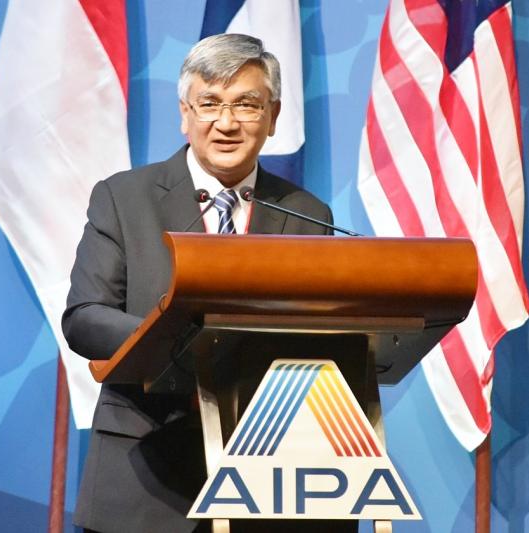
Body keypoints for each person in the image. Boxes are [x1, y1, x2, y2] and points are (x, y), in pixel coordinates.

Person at [63, 34, 341, 533]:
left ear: (273, 117)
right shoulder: (124, 197)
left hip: (268, 480)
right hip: (144, 476)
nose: (226, 123)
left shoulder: (306, 214)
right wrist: (187, 348)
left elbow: (317, 337)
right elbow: (86, 317)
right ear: (184, 113)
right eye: (209, 104)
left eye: (246, 105)